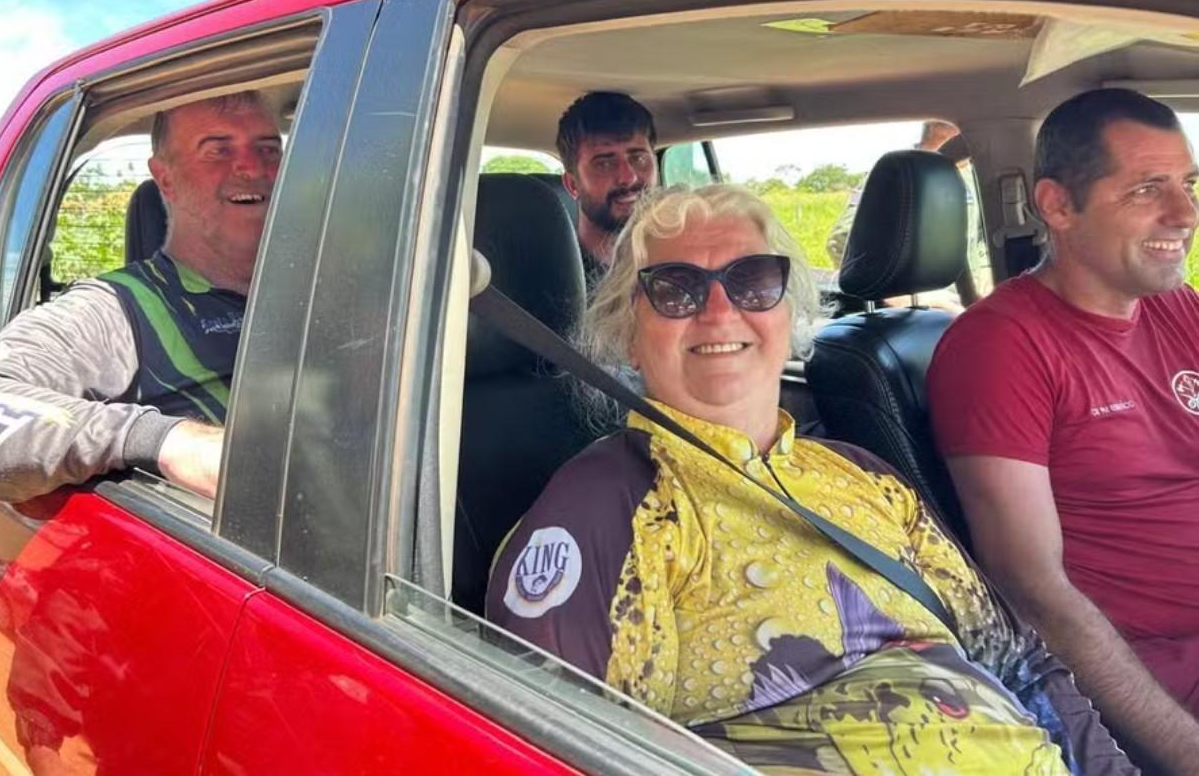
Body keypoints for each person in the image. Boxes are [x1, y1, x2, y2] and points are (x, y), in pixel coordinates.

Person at [488, 183, 1134, 774]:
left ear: (786, 313)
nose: (719, 310)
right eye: (677, 288)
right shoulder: (607, 509)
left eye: (752, 281)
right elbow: (570, 753)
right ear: (630, 334)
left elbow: (1020, 662)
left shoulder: (863, 476)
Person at [928, 88, 1199, 773]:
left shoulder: (1179, 310)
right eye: (1147, 189)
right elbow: (1034, 592)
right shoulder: (1002, 346)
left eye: (1188, 184)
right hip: (1162, 678)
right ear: (1057, 206)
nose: (1185, 214)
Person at [0, 90, 282, 504]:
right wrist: (167, 441)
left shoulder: (324, 287)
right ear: (166, 178)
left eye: (268, 148)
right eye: (217, 150)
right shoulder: (119, 308)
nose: (251, 166)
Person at [826, 119, 992, 304]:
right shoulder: (902, 174)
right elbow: (841, 240)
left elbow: (982, 245)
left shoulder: (978, 177)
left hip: (970, 300)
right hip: (930, 301)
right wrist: (910, 297)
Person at [556, 91, 658, 289]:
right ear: (572, 185)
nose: (628, 177)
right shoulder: (559, 279)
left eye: (638, 158)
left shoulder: (678, 260)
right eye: (604, 163)